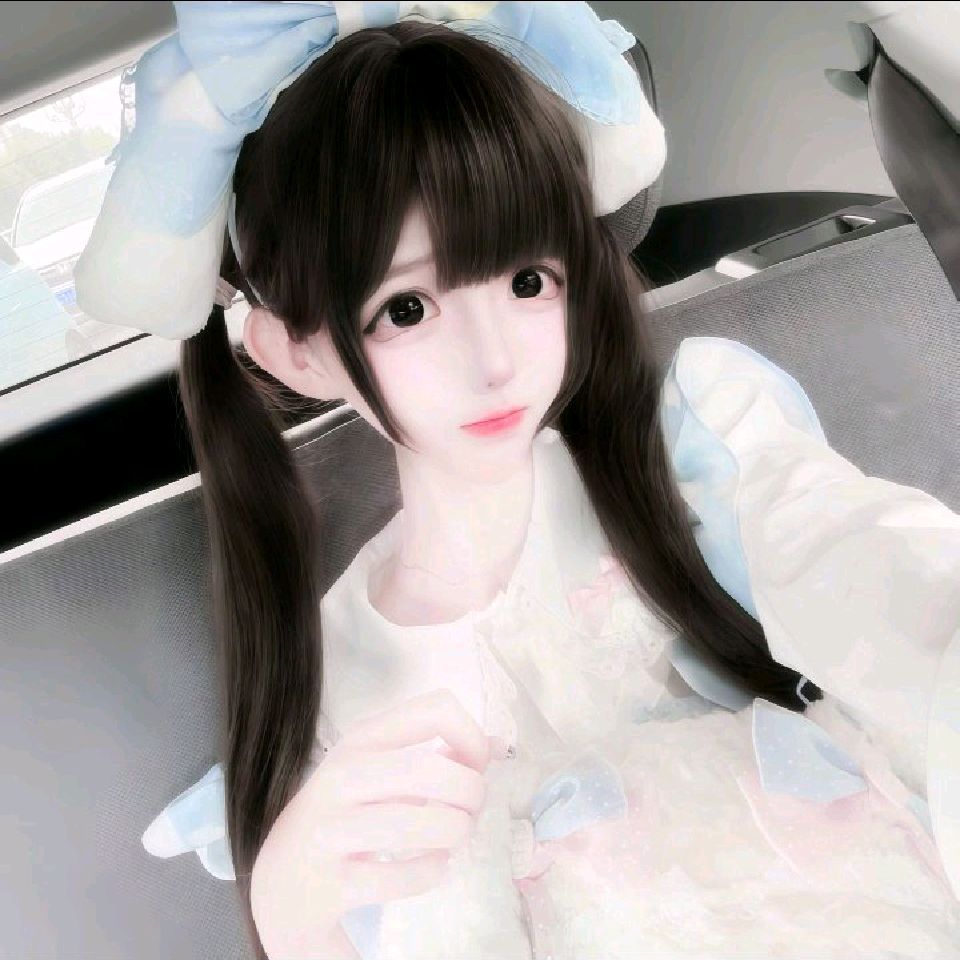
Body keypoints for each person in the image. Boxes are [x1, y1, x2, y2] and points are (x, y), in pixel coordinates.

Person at [75, 3, 960, 958]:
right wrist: (295, 919)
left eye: (529, 281)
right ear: (297, 351)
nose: (494, 361)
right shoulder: (339, 684)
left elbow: (867, 563)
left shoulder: (697, 442)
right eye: (406, 309)